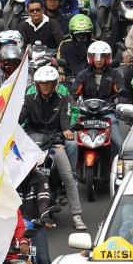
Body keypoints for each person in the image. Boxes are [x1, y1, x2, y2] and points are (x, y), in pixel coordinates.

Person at [20, 65, 86, 231]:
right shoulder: (28, 100)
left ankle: (76, 215)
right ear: (37, 84)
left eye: (48, 82)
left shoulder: (63, 100)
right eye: (42, 83)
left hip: (54, 143)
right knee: (16, 173)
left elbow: (65, 121)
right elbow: (20, 118)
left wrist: (66, 131)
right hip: (32, 145)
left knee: (68, 177)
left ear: (55, 83)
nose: (45, 86)